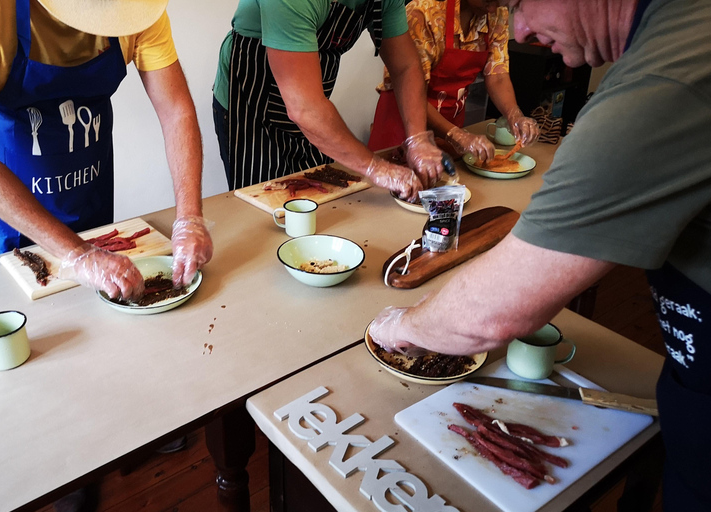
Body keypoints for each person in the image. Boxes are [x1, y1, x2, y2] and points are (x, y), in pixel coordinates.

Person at [369, 0, 711, 509]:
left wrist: (401, 326)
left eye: (523, 3)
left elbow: (495, 311)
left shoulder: (662, 85)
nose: (522, 28)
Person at [0, 0, 213, 299]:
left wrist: (189, 217)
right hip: (3, 205)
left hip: (87, 186)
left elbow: (175, 110)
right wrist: (78, 254)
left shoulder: (139, 7)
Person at [212, 0, 448, 201]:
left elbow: (406, 67)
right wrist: (375, 167)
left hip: (312, 103)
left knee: (323, 190)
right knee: (264, 199)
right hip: (251, 101)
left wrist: (417, 139)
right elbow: (304, 108)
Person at [367, 0, 539, 163]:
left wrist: (514, 114)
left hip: (450, 128)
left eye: (499, 2)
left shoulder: (496, 14)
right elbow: (409, 88)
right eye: (488, 0)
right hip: (402, 128)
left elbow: (498, 74)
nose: (493, 8)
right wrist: (455, 134)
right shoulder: (423, 13)